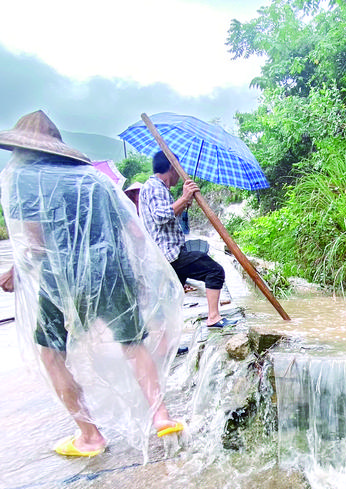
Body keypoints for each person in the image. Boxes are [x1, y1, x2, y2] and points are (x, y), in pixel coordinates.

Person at [0, 110, 184, 457]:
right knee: (133, 344)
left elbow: (35, 245)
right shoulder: (94, 180)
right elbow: (133, 232)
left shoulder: (22, 180)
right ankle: (161, 416)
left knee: (52, 354)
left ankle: (89, 436)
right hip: (112, 272)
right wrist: (139, 278)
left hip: (61, 278)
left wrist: (16, 271)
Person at [139, 151, 235, 328]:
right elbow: (160, 217)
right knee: (215, 271)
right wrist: (183, 197)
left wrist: (184, 204)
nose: (179, 173)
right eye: (178, 168)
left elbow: (168, 221)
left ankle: (167, 346)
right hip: (170, 254)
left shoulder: (159, 188)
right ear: (171, 168)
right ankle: (213, 317)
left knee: (171, 299)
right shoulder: (154, 187)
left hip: (169, 253)